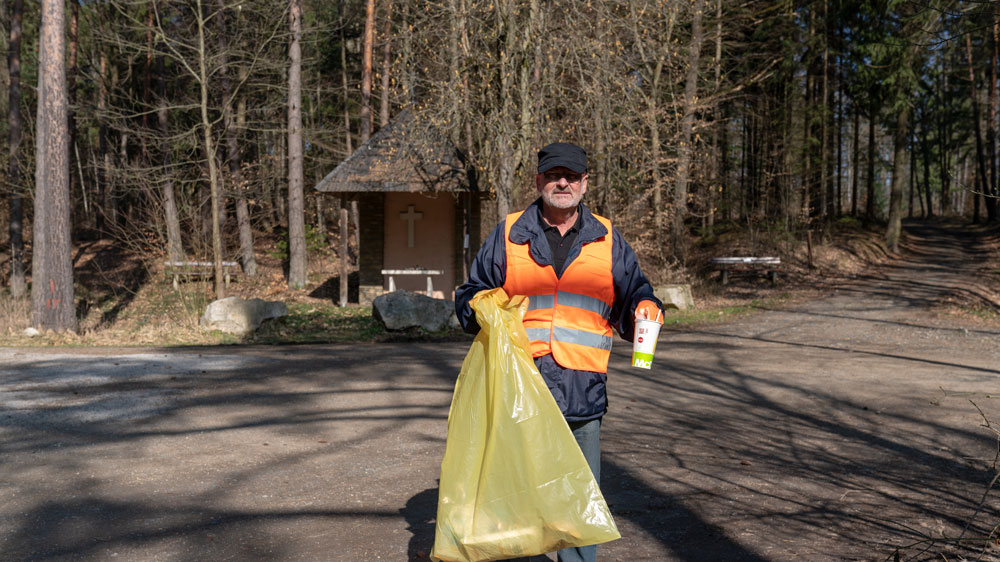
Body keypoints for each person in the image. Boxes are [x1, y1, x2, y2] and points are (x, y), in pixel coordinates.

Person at [454, 142, 664, 562]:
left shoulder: (607, 239)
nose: (562, 183)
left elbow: (635, 295)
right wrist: (481, 307)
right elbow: (470, 294)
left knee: (579, 500)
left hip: (583, 392)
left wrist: (647, 307)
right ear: (538, 182)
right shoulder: (510, 234)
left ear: (585, 184)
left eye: (570, 176)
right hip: (521, 393)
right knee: (521, 496)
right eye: (553, 175)